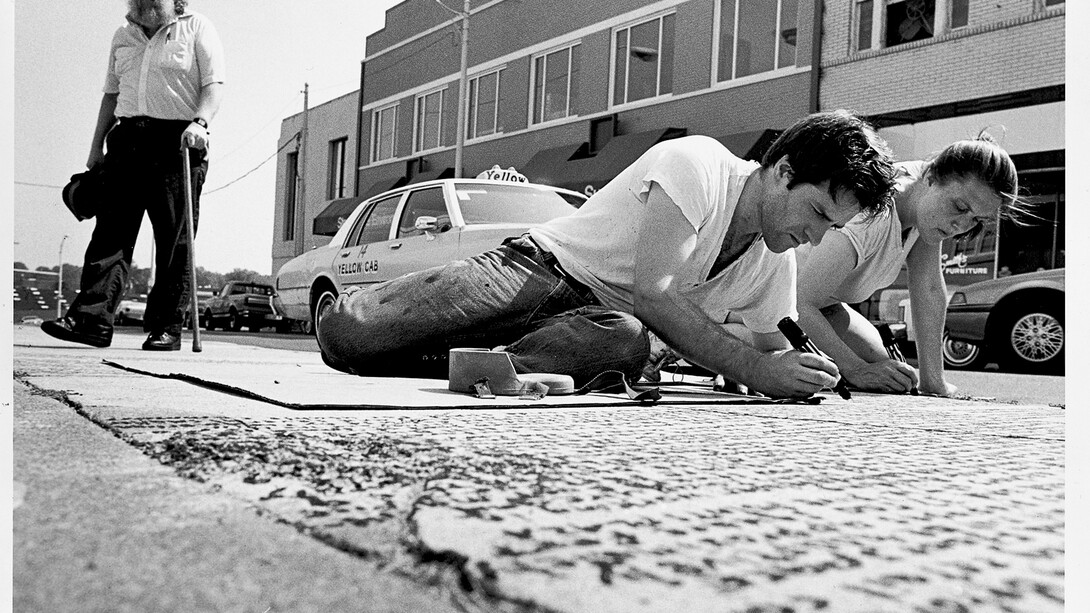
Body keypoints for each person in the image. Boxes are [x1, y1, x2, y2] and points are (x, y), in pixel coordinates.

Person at [318, 110, 898, 398]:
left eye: (833, 227)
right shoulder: (699, 164)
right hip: (541, 271)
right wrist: (752, 369)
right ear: (784, 172)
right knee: (352, 340)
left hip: (596, 324)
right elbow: (657, 292)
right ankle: (448, 344)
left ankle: (483, 360)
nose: (817, 237)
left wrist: (814, 374)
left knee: (625, 338)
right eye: (819, 214)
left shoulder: (777, 257)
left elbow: (775, 348)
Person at [42, 0, 225, 351]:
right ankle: (91, 321)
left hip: (178, 142)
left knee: (174, 241)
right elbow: (111, 95)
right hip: (126, 141)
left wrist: (201, 122)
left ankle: (166, 327)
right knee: (110, 234)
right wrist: (96, 148)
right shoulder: (122, 36)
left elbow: (213, 84)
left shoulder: (198, 27)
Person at [793, 136, 1020, 395]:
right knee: (818, 374)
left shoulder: (925, 211)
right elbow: (799, 302)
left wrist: (933, 382)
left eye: (976, 220)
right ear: (931, 175)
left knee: (895, 375)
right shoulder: (872, 215)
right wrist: (855, 370)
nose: (962, 225)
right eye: (959, 207)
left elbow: (930, 289)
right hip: (771, 304)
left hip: (827, 309)